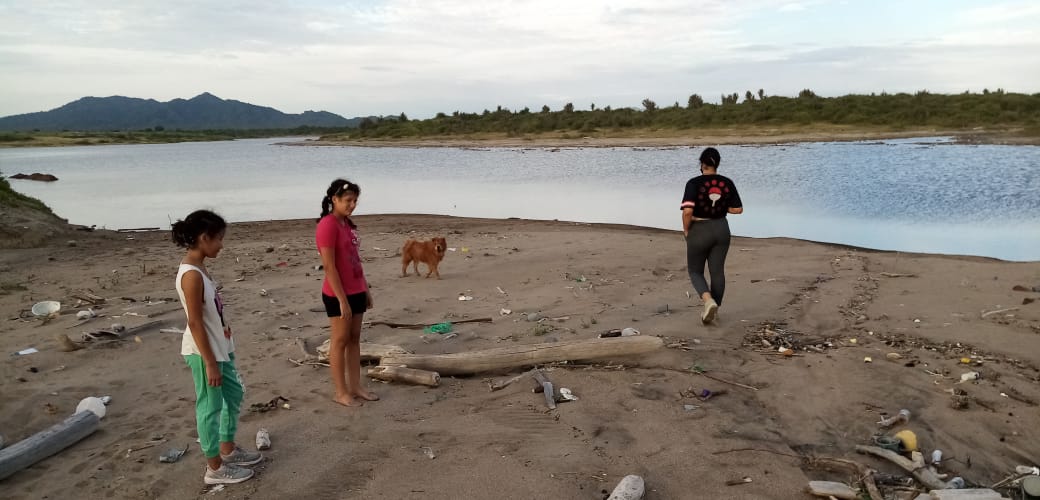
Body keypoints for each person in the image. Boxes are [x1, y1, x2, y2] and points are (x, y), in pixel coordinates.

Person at [172, 210, 262, 485]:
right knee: (209, 407)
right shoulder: (191, 275)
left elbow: (210, 312)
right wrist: (210, 362)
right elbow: (194, 322)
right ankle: (214, 467)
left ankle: (228, 448)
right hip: (204, 353)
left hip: (220, 346)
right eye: (219, 239)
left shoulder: (200, 268)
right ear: (204, 238)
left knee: (234, 395)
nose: (222, 245)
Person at [316, 179, 378, 407]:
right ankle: (340, 392)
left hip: (356, 289)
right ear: (335, 199)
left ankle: (355, 387)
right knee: (340, 340)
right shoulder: (328, 225)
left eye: (355, 201)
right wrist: (342, 300)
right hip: (337, 293)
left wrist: (366, 289)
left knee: (354, 339)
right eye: (348, 200)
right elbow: (329, 266)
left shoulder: (347, 224)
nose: (352, 205)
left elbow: (355, 261)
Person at [681, 147, 743, 324]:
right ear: (717, 164)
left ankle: (708, 302)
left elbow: (687, 211)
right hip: (722, 229)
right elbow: (738, 209)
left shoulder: (693, 183)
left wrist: (686, 230)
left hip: (700, 229)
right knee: (717, 272)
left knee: (695, 271)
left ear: (702, 164)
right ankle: (715, 310)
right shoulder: (727, 182)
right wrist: (721, 208)